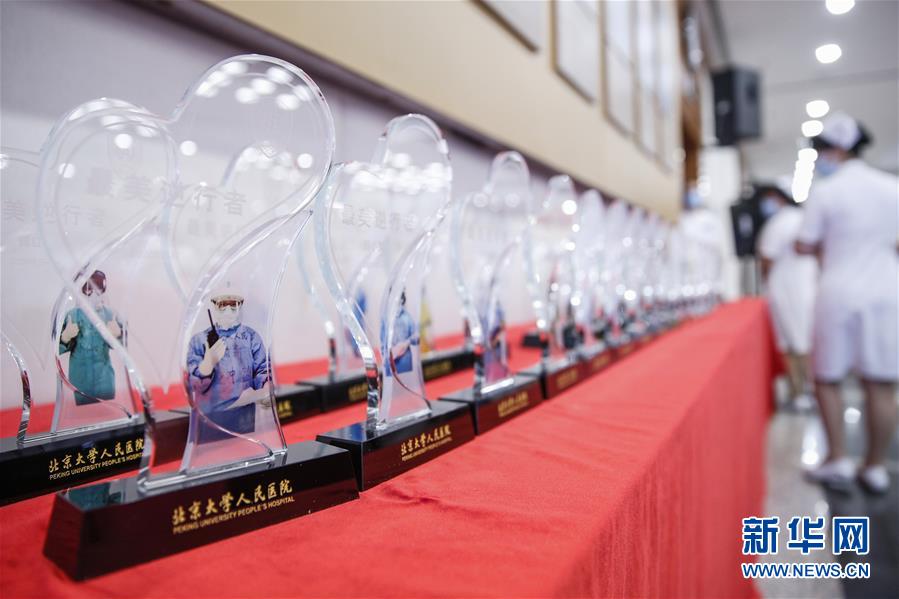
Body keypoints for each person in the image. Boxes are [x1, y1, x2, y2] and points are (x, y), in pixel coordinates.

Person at [796, 111, 899, 494]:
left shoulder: (826, 192)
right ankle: (874, 466)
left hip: (838, 291)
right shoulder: (892, 187)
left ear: (837, 149)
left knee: (827, 377)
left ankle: (837, 457)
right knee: (881, 384)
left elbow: (805, 243)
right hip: (886, 292)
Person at [756, 183, 818, 409]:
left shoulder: (780, 222)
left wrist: (764, 279)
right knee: (802, 340)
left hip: (788, 289)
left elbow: (767, 257)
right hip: (806, 287)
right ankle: (805, 390)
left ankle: (801, 392)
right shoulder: (803, 219)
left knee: (794, 343)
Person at [187, 291, 270, 438]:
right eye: (223, 305)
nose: (228, 310)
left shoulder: (250, 337)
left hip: (244, 414)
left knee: (243, 444)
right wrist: (208, 364)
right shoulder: (200, 340)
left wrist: (266, 389)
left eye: (233, 305)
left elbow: (262, 369)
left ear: (240, 306)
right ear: (214, 306)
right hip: (211, 416)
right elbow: (193, 384)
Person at [58, 270, 123, 405]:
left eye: (98, 290)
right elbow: (56, 350)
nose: (93, 295)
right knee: (84, 410)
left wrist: (117, 335)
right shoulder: (72, 316)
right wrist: (65, 337)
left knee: (107, 409)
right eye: (88, 290)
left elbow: (124, 350)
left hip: (104, 377)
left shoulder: (110, 315)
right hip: (80, 377)